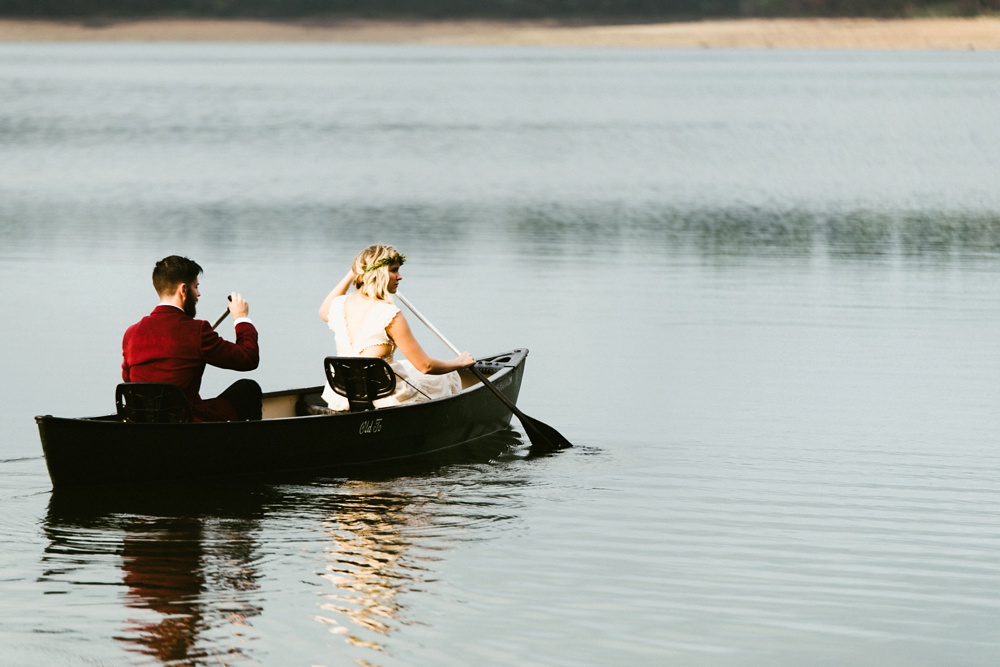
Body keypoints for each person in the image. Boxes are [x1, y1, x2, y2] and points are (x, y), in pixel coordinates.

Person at [318, 244, 474, 411]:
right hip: (384, 397)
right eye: (394, 270)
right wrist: (459, 362)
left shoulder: (338, 306)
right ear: (377, 273)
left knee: (405, 365)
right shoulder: (390, 315)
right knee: (449, 375)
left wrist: (353, 273)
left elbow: (323, 310)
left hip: (344, 395)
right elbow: (425, 366)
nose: (400, 277)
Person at [122, 255, 262, 422]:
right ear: (183, 290)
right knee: (248, 388)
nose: (198, 294)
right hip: (186, 424)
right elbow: (248, 358)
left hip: (143, 422)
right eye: (196, 287)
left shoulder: (131, 334)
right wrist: (241, 318)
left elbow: (128, 380)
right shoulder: (197, 331)